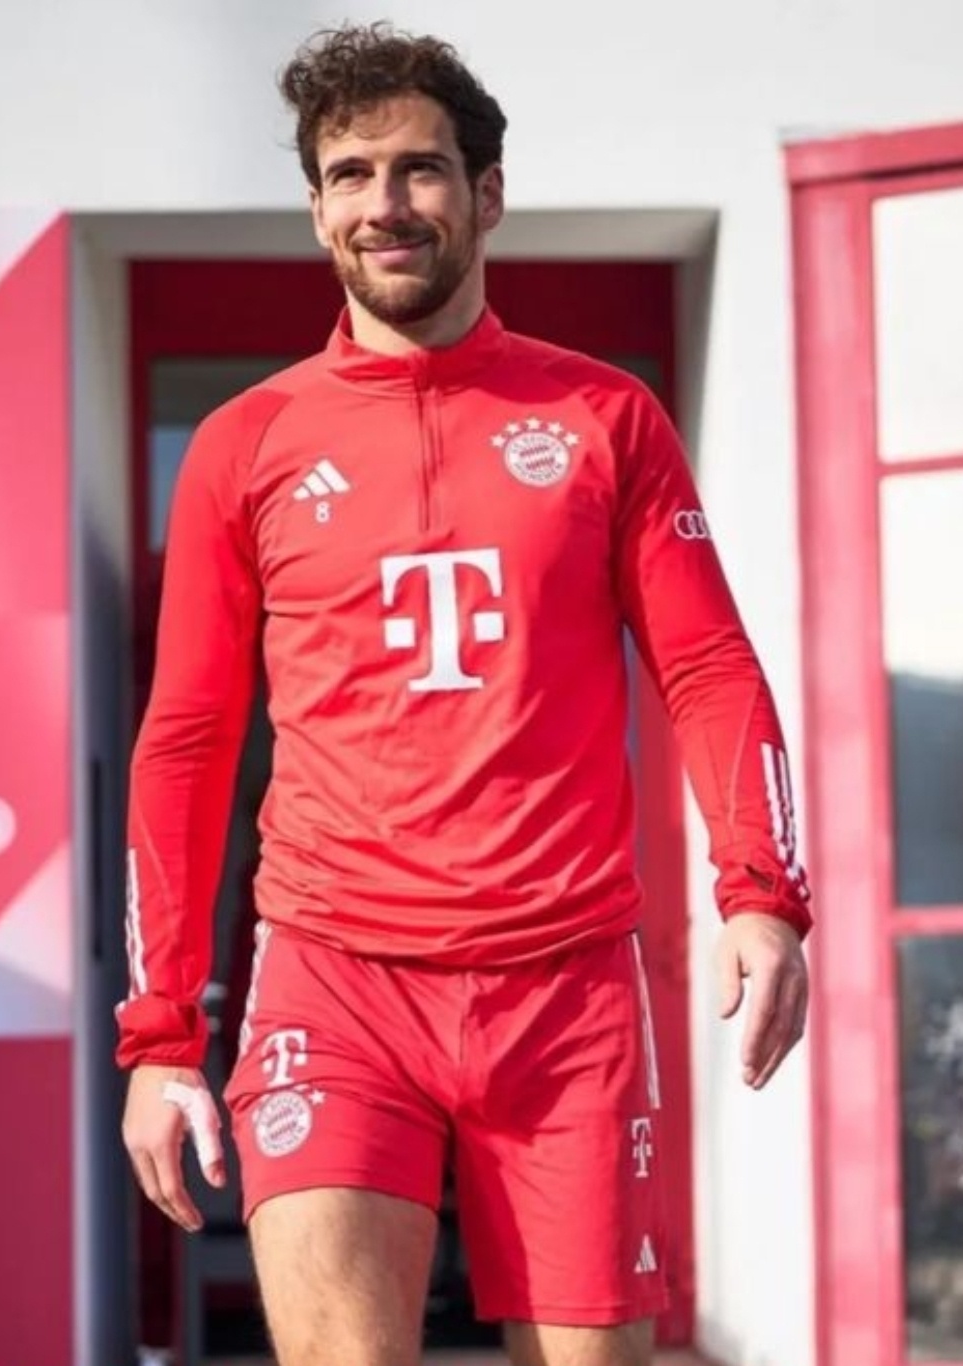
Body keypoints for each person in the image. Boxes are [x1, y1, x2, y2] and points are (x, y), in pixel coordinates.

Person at [118, 21, 812, 1366]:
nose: (385, 203)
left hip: (567, 988)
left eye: (420, 169)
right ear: (317, 209)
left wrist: (761, 894)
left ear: (486, 194)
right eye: (351, 174)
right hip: (335, 978)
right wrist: (159, 1036)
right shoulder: (245, 445)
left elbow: (708, 666)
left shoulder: (607, 419)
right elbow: (187, 741)